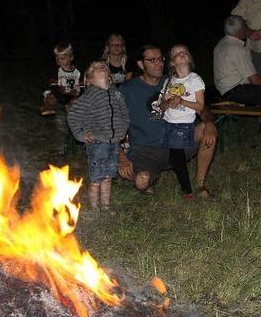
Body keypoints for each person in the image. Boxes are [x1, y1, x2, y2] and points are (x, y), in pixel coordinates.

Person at [118, 45, 216, 197]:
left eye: (160, 59)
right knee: (141, 182)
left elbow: (203, 108)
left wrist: (209, 122)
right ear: (141, 64)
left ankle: (199, 184)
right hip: (146, 151)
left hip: (178, 141)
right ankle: (150, 177)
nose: (158, 63)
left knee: (206, 129)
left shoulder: (174, 81)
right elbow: (109, 123)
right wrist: (121, 157)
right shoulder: (127, 89)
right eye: (152, 60)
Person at [67, 61, 130, 213]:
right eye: (94, 68)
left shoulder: (117, 94)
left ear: (109, 75)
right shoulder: (89, 96)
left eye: (102, 66)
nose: (99, 67)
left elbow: (125, 114)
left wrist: (123, 129)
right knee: (96, 178)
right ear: (89, 79)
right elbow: (73, 115)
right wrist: (80, 135)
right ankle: (95, 208)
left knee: (108, 176)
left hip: (114, 143)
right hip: (97, 143)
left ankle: (106, 206)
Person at [158, 44, 205, 201]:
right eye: (177, 54)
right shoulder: (169, 81)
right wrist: (168, 103)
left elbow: (200, 106)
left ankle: (187, 190)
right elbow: (162, 105)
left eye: (185, 52)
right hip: (167, 123)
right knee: (171, 155)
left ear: (189, 58)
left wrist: (182, 101)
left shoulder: (195, 79)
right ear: (172, 62)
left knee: (176, 155)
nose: (182, 54)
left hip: (183, 124)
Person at [213, 15, 261, 107]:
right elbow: (255, 80)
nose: (247, 29)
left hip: (222, 90)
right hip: (235, 92)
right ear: (240, 32)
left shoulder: (221, 44)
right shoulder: (238, 49)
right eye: (245, 27)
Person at [41, 43, 82, 116]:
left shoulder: (77, 72)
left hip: (69, 96)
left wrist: (76, 93)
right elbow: (53, 87)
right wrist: (63, 97)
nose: (59, 61)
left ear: (71, 57)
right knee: (51, 96)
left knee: (76, 101)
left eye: (62, 58)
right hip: (57, 94)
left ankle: (68, 111)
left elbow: (81, 87)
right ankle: (48, 107)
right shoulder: (54, 71)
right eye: (57, 58)